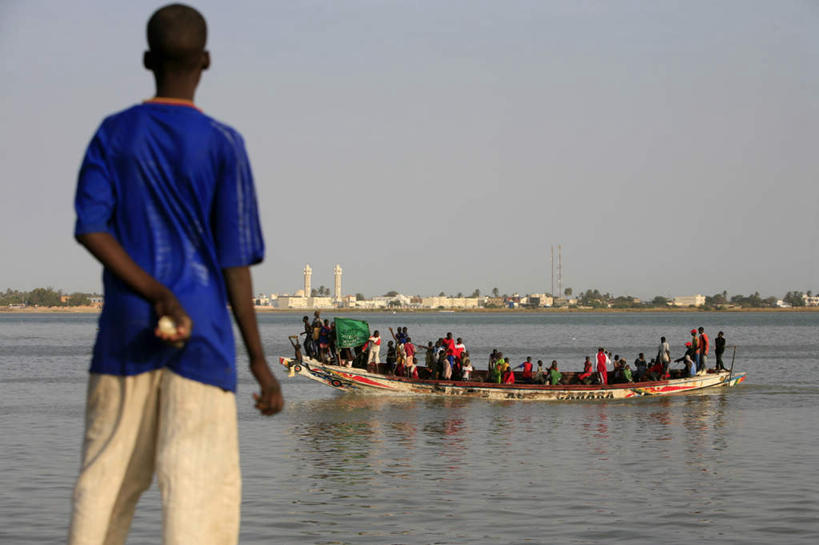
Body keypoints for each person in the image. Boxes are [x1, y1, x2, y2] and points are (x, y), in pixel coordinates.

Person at [68, 6, 284, 545]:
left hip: (125, 335)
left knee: (103, 491)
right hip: (205, 340)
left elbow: (91, 228)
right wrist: (260, 363)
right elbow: (234, 265)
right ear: (206, 61)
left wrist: (156, 294)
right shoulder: (223, 143)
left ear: (147, 60)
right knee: (199, 502)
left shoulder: (114, 134)